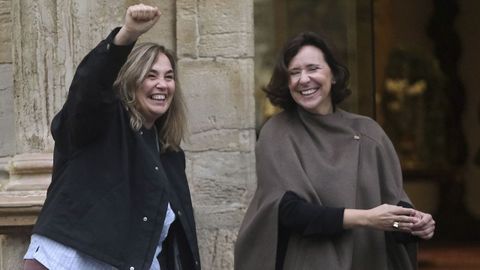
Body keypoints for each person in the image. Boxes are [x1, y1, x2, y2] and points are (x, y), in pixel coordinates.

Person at [234, 32, 435, 270]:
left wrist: (416, 224)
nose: (304, 79)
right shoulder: (277, 133)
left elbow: (393, 212)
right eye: (294, 72)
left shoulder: (369, 133)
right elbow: (289, 212)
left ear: (334, 74)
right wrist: (367, 219)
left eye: (313, 68)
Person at [23, 4, 200, 270]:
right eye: (150, 75)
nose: (162, 84)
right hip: (69, 259)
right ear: (131, 80)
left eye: (169, 77)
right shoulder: (103, 120)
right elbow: (89, 87)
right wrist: (125, 36)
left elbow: (174, 236)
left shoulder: (170, 154)